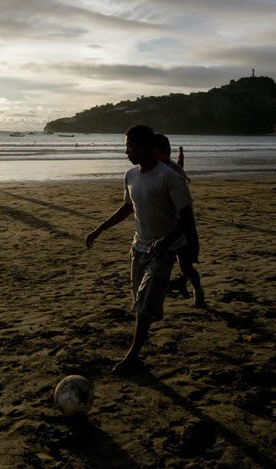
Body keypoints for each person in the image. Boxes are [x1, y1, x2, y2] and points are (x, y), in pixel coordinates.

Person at [86, 125, 193, 373]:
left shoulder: (169, 177)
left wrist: (166, 241)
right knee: (140, 300)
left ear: (145, 147)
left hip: (164, 250)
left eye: (130, 146)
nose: (126, 152)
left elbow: (187, 219)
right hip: (139, 248)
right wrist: (99, 229)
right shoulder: (130, 176)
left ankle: (133, 357)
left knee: (144, 305)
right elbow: (128, 208)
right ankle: (172, 287)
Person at [154, 134, 204, 307]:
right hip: (164, 226)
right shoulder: (154, 169)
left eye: (155, 152)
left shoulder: (172, 171)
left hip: (181, 225)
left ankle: (197, 290)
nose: (152, 156)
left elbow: (184, 205)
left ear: (165, 152)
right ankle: (178, 285)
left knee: (185, 265)